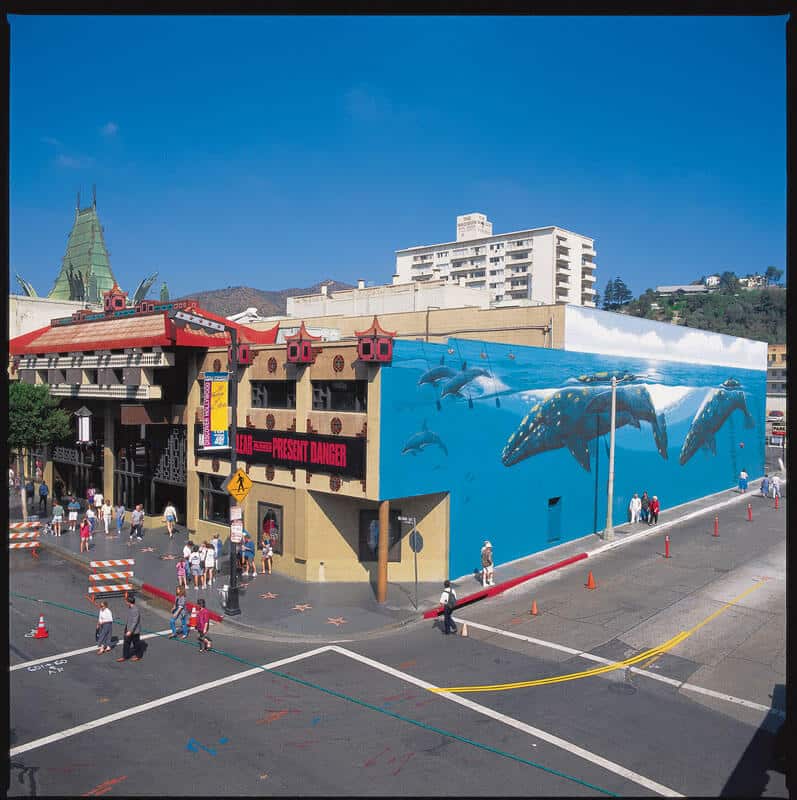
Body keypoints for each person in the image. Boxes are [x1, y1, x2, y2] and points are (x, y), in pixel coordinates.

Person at [116, 594, 142, 662]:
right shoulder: (130, 608)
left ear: (129, 602)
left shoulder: (135, 610)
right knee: (126, 643)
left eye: (126, 601)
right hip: (128, 628)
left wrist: (130, 631)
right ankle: (125, 656)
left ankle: (138, 655)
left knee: (136, 644)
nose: (126, 602)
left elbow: (135, 622)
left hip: (134, 631)